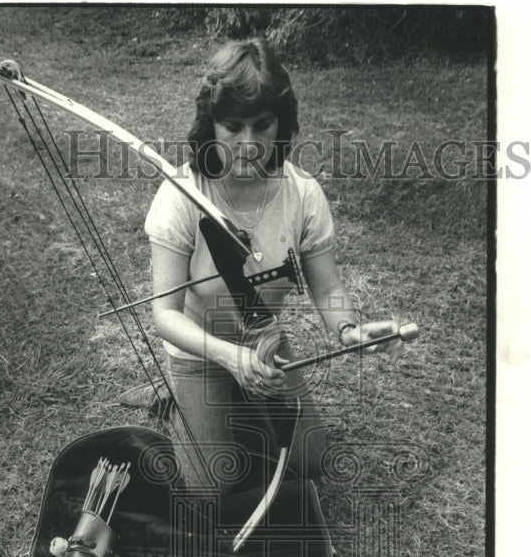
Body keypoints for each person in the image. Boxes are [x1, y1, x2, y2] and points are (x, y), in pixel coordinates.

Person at [135, 38, 401, 494]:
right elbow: (165, 316)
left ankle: (233, 402)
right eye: (232, 126)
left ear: (282, 124)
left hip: (262, 340)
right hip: (199, 351)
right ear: (211, 123)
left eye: (262, 126)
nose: (248, 143)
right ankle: (177, 406)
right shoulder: (180, 195)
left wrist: (348, 331)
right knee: (214, 488)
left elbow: (327, 288)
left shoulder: (302, 192)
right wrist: (228, 357)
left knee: (309, 461)